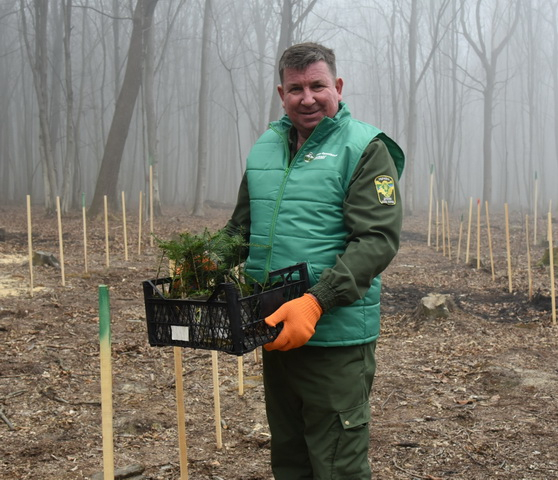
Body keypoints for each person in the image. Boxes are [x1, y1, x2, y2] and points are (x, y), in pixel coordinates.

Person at [225, 42, 405, 480]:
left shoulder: (366, 148)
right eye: (296, 89)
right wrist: (204, 261)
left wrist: (316, 301)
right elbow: (241, 229)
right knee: (290, 459)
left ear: (337, 87)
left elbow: (376, 239)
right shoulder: (266, 148)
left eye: (318, 86)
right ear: (281, 94)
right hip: (275, 329)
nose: (307, 98)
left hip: (335, 340)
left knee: (337, 465)